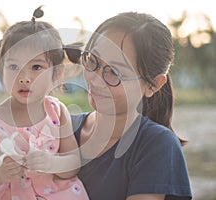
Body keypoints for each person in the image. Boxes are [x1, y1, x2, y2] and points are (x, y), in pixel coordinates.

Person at [0, 6, 88, 200]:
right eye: (14, 66)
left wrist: (53, 164)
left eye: (37, 67)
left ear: (57, 73)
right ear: (1, 71)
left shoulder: (56, 112)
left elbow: (73, 164)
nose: (24, 77)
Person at [71, 12, 192, 200]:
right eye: (93, 60)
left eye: (115, 72)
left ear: (153, 84)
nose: (96, 80)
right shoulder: (59, 127)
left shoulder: (156, 145)